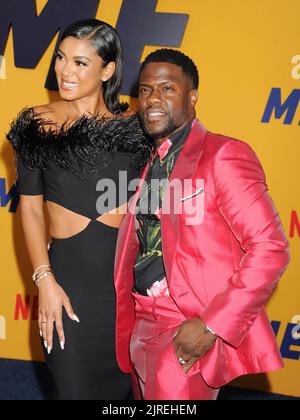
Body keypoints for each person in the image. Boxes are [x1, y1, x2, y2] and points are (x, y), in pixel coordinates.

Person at [114, 49, 290, 400]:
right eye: (146, 90)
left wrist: (212, 326)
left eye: (167, 89)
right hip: (140, 323)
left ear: (192, 96)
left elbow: (270, 248)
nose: (152, 99)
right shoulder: (153, 160)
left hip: (184, 327)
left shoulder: (223, 154)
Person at [7, 19, 151, 400]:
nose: (65, 71)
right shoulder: (37, 123)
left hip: (126, 292)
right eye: (60, 58)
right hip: (69, 289)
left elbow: (152, 210)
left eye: (81, 62)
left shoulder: (136, 130)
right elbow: (32, 210)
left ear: (107, 70)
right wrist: (45, 281)